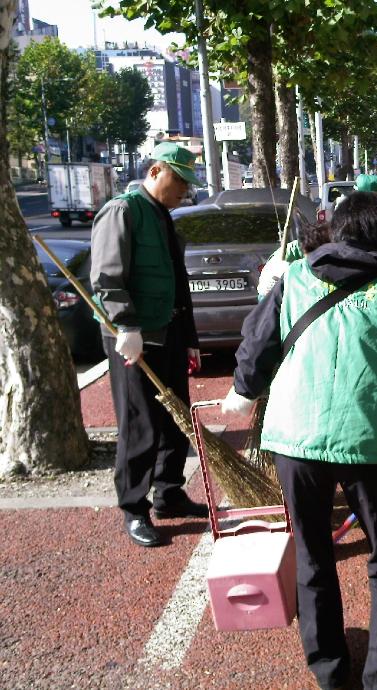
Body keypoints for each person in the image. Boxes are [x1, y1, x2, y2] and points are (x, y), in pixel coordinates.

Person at [221, 192, 377, 690]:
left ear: (337, 232)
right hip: (373, 442)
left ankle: (329, 674)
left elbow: (256, 345)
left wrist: (242, 392)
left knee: (313, 555)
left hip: (294, 442)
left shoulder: (293, 279)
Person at [90, 142, 209, 548]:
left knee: (176, 416)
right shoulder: (123, 211)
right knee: (140, 423)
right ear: (156, 171)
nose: (185, 192)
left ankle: (169, 492)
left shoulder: (163, 215)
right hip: (133, 336)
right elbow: (107, 277)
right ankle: (134, 508)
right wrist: (125, 325)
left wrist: (190, 338)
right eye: (179, 181)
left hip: (169, 331)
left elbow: (178, 283)